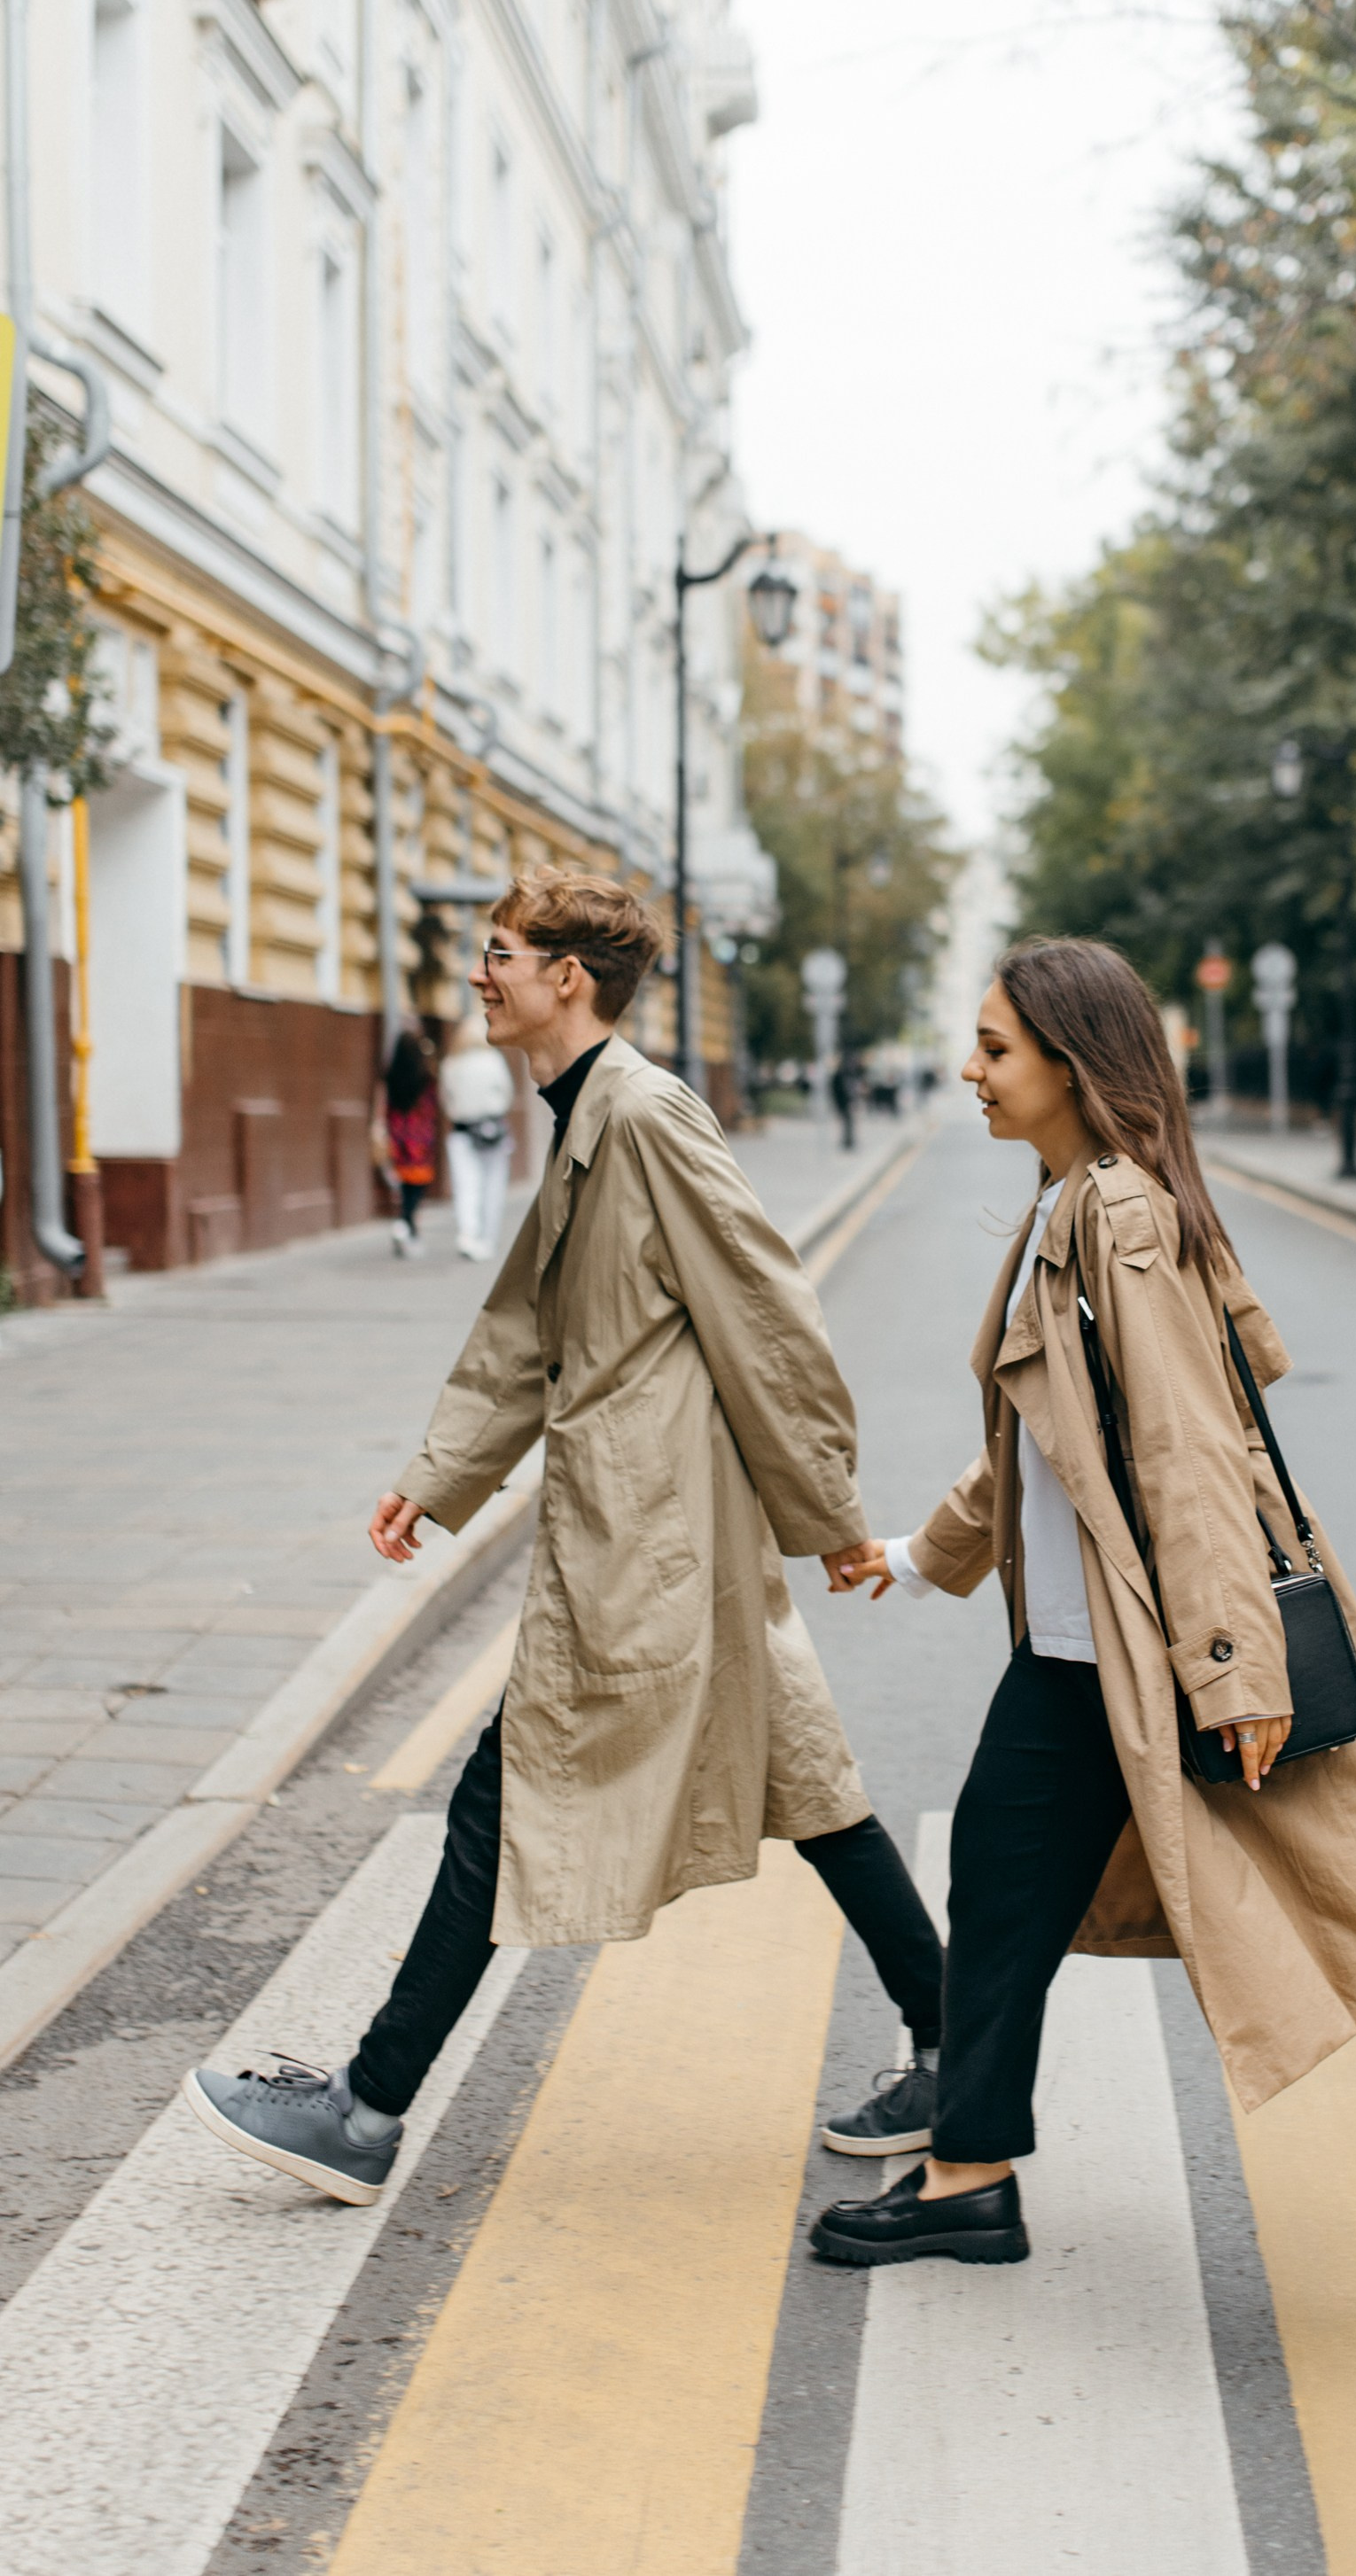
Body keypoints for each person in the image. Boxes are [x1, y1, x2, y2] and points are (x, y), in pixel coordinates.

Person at [807, 937, 1356, 2306]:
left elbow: (1190, 1457)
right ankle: (970, 2177)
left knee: (1323, 1920)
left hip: (1153, 1659)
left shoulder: (1117, 1219)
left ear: (1075, 1066)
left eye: (996, 1049)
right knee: (1006, 1888)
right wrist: (918, 1555)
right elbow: (1054, 1443)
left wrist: (1234, 1673)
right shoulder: (1071, 1202)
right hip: (1087, 1654)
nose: (970, 1070)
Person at [184, 867, 945, 2204]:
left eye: (499, 956)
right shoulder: (585, 1114)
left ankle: (365, 2111)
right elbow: (531, 1325)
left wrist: (827, 1513)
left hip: (650, 1533)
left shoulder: (644, 1117)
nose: (480, 976)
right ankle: (964, 2046)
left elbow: (769, 1315)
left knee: (504, 1791)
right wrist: (440, 1472)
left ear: (566, 980)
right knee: (814, 1788)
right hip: (656, 1529)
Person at [439, 1006, 516, 1261]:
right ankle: (487, 1238)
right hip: (492, 1129)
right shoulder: (493, 1060)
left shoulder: (451, 1064)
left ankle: (467, 1234)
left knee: (466, 1185)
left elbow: (446, 1099)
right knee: (493, 1185)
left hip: (462, 1131)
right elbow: (507, 1093)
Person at [382, 1019, 441, 1259]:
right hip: (419, 1137)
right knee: (417, 1185)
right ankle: (406, 1224)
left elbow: (384, 1104)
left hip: (398, 1135)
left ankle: (407, 1226)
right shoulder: (424, 1073)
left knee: (405, 1185)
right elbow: (433, 1103)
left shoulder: (391, 1074)